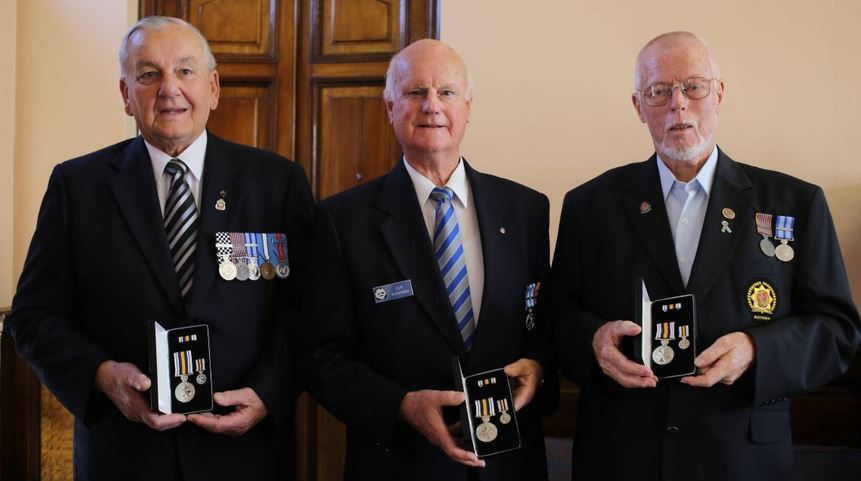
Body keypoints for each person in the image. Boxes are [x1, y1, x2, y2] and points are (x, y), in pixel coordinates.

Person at [7, 16, 313, 481]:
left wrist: (269, 393)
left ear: (213, 87)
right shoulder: (77, 186)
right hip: (124, 456)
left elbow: (308, 310)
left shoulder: (278, 183)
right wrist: (102, 375)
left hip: (246, 458)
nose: (169, 89)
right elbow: (32, 317)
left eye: (185, 71)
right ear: (127, 95)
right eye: (149, 74)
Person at [547, 30, 861, 481]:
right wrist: (593, 343)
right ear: (638, 107)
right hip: (622, 457)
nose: (678, 104)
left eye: (693, 86)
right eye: (659, 91)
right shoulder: (590, 204)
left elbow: (837, 331)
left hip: (741, 459)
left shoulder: (795, 201)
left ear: (718, 93)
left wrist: (756, 349)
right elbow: (558, 317)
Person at [299, 39, 556, 480]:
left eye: (447, 92)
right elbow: (323, 358)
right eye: (415, 92)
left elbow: (548, 323)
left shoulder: (526, 209)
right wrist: (401, 406)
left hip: (509, 466)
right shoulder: (342, 221)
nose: (432, 106)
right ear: (390, 108)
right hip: (399, 463)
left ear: (468, 108)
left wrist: (538, 367)